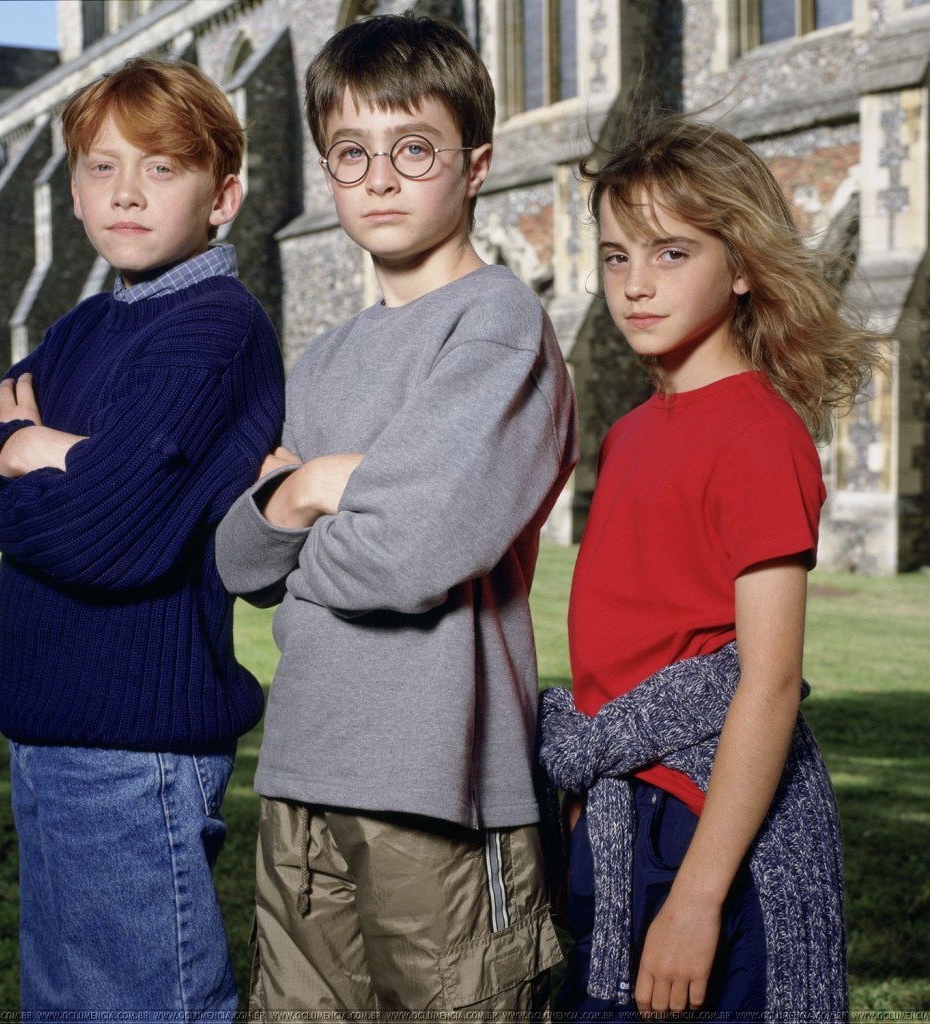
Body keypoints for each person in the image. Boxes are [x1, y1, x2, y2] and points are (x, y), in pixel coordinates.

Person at [215, 11, 578, 1016]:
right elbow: (239, 562)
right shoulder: (324, 358)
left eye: (413, 149)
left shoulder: (496, 325)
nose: (378, 178)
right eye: (351, 153)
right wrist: (311, 490)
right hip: (301, 766)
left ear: (475, 165)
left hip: (438, 784)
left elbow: (408, 555)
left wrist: (306, 514)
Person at [0, 57, 284, 1018]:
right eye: (101, 166)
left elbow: (108, 535)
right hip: (45, 733)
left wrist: (23, 458)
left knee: (146, 1005)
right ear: (73, 191)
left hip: (134, 750)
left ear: (222, 197)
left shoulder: (214, 330)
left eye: (162, 168)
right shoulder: (86, 328)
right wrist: (32, 451)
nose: (126, 192)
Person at [538, 114, 886, 1022]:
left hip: (708, 822)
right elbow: (619, 652)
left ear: (739, 266)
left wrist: (697, 896)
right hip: (617, 811)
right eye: (616, 257)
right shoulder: (626, 435)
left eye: (671, 253)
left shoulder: (760, 434)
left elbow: (768, 685)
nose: (635, 284)